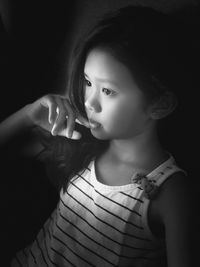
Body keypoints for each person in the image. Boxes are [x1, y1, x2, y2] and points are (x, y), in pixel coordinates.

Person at [0, 5, 194, 267]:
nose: (89, 102)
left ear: (160, 104)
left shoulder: (170, 192)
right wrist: (26, 115)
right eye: (88, 82)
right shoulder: (79, 142)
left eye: (109, 91)